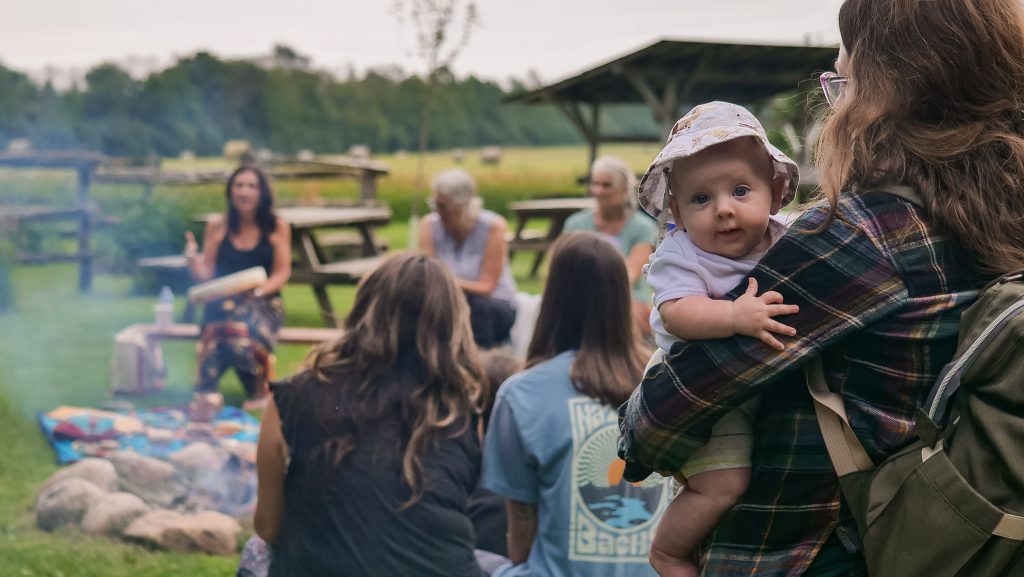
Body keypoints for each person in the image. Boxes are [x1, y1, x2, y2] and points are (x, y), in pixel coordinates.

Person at [619, 0, 1024, 575]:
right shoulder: (999, 220)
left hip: (804, 549)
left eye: (843, 81)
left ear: (887, 94)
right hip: (925, 537)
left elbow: (664, 415)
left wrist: (632, 424)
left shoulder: (855, 236)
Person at [639, 102, 801, 577]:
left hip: (751, 384)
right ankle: (667, 553)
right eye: (701, 199)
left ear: (774, 193)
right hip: (698, 386)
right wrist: (733, 314)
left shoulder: (787, 238)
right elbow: (678, 312)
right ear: (677, 212)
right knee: (725, 484)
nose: (724, 209)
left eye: (740, 190)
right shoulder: (681, 254)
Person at [254, 252, 487, 577]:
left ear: (364, 309)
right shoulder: (461, 412)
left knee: (254, 553)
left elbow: (268, 527)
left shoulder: (293, 397)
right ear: (452, 324)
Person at [482, 231, 672, 577]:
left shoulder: (520, 394)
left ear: (554, 296)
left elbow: (521, 520)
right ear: (620, 295)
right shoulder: (664, 379)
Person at [184, 165, 291, 414]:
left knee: (242, 326)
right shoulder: (217, 226)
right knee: (223, 321)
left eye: (251, 186)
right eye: (239, 185)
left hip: (263, 302)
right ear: (230, 191)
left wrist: (258, 292)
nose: (244, 192)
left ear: (262, 192)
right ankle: (209, 391)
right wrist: (192, 259)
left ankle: (253, 390)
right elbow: (206, 275)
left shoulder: (277, 226)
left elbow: (282, 272)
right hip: (223, 302)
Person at [419, 168, 517, 348]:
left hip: (494, 306)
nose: (438, 211)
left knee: (476, 307)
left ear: (463, 203)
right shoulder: (429, 225)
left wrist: (445, 282)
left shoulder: (494, 227)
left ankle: (481, 365)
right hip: (448, 304)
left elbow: (486, 287)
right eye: (435, 204)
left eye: (444, 206)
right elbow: (426, 276)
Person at [564, 156, 657, 337]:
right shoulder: (575, 224)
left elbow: (629, 275)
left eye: (606, 185)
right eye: (595, 184)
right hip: (579, 296)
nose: (598, 191)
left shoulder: (642, 227)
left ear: (624, 189)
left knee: (629, 318)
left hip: (626, 297)